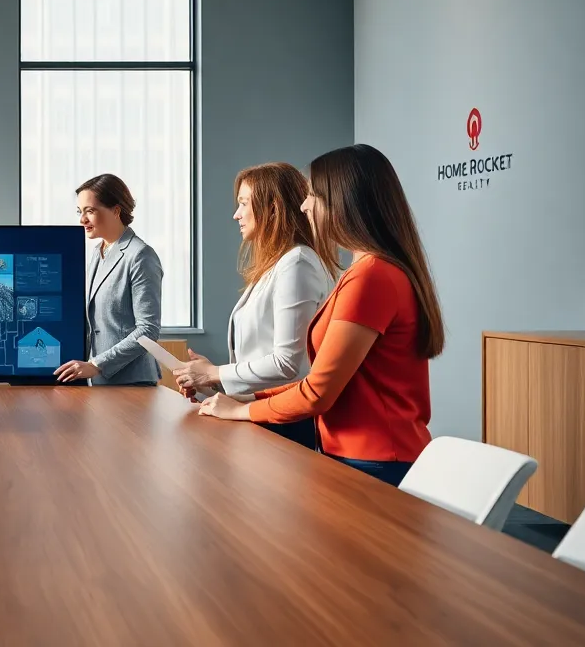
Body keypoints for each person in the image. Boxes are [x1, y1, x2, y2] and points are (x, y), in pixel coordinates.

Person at [198, 144, 445, 487]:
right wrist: (247, 397)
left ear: (343, 202)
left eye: (313, 195)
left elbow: (318, 392)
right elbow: (319, 383)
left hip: (374, 461)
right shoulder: (367, 271)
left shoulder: (371, 277)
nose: (304, 205)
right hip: (358, 454)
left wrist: (241, 410)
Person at [172, 163, 336, 450]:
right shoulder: (279, 264)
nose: (236, 214)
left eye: (243, 204)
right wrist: (211, 380)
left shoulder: (297, 264)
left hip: (286, 424)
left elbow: (288, 363)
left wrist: (214, 373)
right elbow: (261, 358)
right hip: (262, 414)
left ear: (273, 207)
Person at [55, 174, 164, 386]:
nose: (82, 219)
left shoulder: (140, 255)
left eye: (90, 211)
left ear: (116, 210)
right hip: (99, 382)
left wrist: (97, 364)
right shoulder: (98, 253)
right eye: (80, 212)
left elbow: (148, 330)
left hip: (132, 382)